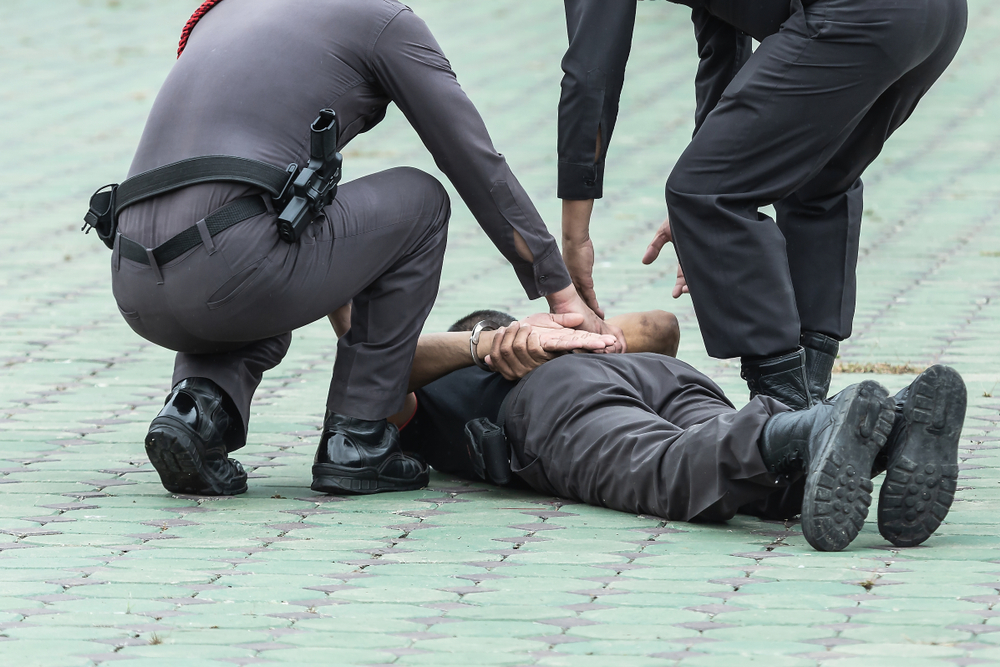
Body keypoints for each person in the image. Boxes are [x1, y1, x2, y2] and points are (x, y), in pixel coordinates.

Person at [97, 0, 621, 498]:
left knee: (266, 237)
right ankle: (359, 439)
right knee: (420, 200)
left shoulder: (227, 12)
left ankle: (196, 410)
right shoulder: (381, 19)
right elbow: (475, 164)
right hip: (232, 263)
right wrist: (561, 292)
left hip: (132, 278)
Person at [556, 0, 968, 410]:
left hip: (858, 17)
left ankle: (789, 430)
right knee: (818, 180)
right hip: (937, 18)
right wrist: (718, 175)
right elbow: (724, 40)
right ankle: (825, 425)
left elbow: (592, 73)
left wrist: (575, 237)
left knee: (701, 194)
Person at [384, 308, 965, 552]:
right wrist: (589, 334)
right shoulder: (546, 334)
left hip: (553, 403)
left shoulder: (437, 388)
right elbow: (661, 327)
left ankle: (821, 421)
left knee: (665, 469)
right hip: (659, 376)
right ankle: (899, 422)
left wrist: (482, 346)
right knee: (753, 475)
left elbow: (373, 368)